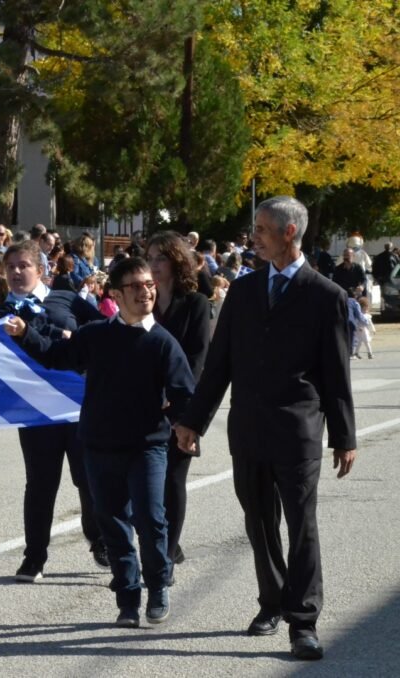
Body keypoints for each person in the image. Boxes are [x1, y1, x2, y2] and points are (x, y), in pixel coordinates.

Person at [175, 196, 356, 661]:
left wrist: (344, 436)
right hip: (249, 428)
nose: (253, 235)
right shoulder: (244, 291)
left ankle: (304, 622)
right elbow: (218, 366)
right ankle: (271, 602)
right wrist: (194, 420)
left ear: (289, 233)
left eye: (261, 228)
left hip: (298, 429)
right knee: (259, 524)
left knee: (301, 527)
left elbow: (336, 374)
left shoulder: (326, 295)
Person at [6, 256, 194, 629]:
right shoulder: (96, 335)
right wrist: (25, 334)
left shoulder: (162, 343)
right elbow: (55, 356)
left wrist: (186, 426)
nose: (146, 292)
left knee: (151, 520)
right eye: (136, 286)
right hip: (99, 445)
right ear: (115, 294)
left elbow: (184, 393)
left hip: (147, 446)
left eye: (150, 285)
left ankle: (158, 586)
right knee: (113, 524)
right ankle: (127, 598)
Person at [0, 240, 107, 582]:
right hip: (35, 411)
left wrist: (79, 338)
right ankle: (34, 556)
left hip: (78, 408)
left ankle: (99, 537)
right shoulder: (1, 315)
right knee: (40, 484)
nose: (15, 272)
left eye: (23, 265)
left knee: (88, 478)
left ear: (40, 270)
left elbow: (101, 328)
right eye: (10, 267)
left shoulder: (67, 297)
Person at [144, 232, 211, 577]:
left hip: (183, 406)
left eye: (160, 258)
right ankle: (169, 543)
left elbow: (199, 359)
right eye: (150, 258)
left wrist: (181, 401)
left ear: (177, 261)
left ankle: (166, 557)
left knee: (172, 480)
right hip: (144, 406)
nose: (153, 265)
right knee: (146, 484)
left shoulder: (196, 303)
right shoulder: (143, 302)